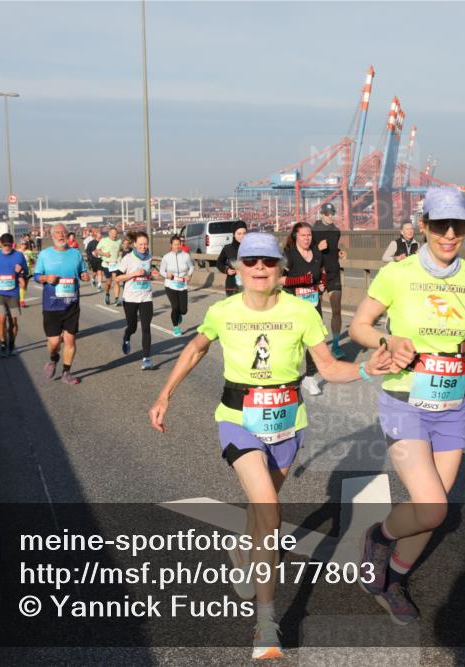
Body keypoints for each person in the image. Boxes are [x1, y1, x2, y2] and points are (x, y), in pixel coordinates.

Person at [148, 232, 391, 659]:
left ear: (281, 269)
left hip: (288, 425)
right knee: (268, 510)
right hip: (238, 421)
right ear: (237, 269)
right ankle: (266, 623)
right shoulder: (223, 311)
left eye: (268, 262)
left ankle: (243, 547)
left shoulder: (301, 313)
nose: (259, 269)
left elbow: (330, 368)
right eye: (251, 262)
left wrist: (368, 371)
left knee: (263, 511)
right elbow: (196, 348)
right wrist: (165, 394)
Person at [349, 187, 465, 625]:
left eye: (459, 226)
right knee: (433, 508)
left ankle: (393, 581)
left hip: (451, 406)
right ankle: (379, 536)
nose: (449, 234)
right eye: (441, 225)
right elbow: (359, 326)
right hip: (404, 400)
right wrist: (388, 340)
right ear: (424, 225)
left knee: (431, 511)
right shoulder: (398, 274)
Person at [34, 223, 90, 385]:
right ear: (52, 236)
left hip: (71, 304)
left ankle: (66, 372)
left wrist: (85, 275)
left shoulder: (75, 254)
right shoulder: (45, 255)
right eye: (57, 233)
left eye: (63, 232)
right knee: (54, 342)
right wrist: (46, 278)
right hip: (51, 305)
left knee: (70, 341)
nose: (61, 235)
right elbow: (37, 275)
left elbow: (82, 272)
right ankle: (53, 359)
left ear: (67, 235)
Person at [281, 222, 327, 397]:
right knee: (293, 341)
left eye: (309, 235)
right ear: (295, 237)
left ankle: (309, 377)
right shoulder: (289, 255)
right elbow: (278, 279)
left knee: (315, 340)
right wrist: (300, 279)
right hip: (293, 302)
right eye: (303, 235)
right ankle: (288, 376)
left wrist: (322, 282)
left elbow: (321, 270)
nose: (307, 238)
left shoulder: (316, 252)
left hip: (313, 302)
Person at [115, 232, 161, 370]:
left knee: (146, 328)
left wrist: (152, 275)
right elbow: (117, 278)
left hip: (146, 297)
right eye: (140, 244)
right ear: (134, 244)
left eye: (145, 244)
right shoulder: (128, 258)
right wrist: (134, 274)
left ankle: (146, 358)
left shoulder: (149, 257)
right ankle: (127, 336)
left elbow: (148, 273)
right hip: (130, 298)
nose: (143, 247)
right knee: (133, 327)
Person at [0, 232, 28, 358]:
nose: (7, 247)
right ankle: (3, 345)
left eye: (9, 245)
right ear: (0, 244)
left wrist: (21, 271)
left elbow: (26, 271)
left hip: (13, 293)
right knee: (1, 319)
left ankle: (12, 345)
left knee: (13, 321)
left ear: (13, 244)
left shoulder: (19, 255)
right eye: (4, 245)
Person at [311, 202, 347, 358]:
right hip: (317, 274)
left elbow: (332, 249)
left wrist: (339, 252)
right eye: (327, 213)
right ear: (321, 214)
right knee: (314, 313)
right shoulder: (312, 231)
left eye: (332, 213)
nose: (331, 216)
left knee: (337, 310)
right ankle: (316, 345)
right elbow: (305, 252)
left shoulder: (336, 231)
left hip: (333, 273)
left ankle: (336, 346)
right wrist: (316, 248)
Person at [159, 235, 194, 336]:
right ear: (171, 245)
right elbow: (161, 270)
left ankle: (179, 314)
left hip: (182, 285)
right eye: (175, 244)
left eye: (179, 244)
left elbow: (191, 267)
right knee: (175, 307)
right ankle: (176, 328)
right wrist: (166, 275)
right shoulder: (166, 257)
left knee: (183, 310)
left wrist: (189, 275)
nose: (177, 246)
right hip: (170, 285)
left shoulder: (186, 256)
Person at [216, 221, 248, 297]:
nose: (242, 236)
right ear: (234, 234)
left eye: (244, 233)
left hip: (248, 285)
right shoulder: (228, 249)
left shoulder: (251, 248)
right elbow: (219, 263)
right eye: (239, 234)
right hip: (232, 285)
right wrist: (227, 270)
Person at [96, 227, 123, 306]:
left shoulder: (119, 241)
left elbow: (120, 250)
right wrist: (104, 254)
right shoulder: (103, 240)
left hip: (116, 264)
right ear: (109, 233)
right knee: (108, 282)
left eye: (116, 234)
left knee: (116, 280)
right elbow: (97, 250)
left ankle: (117, 299)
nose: (115, 235)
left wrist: (120, 255)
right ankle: (107, 293)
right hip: (107, 264)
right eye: (113, 233)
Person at [18, 239, 37, 307]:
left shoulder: (29, 252)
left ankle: (21, 298)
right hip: (19, 271)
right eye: (22, 244)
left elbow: (33, 261)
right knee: (22, 284)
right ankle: (21, 300)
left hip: (27, 271)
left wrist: (32, 260)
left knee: (25, 286)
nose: (24, 245)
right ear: (20, 245)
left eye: (25, 244)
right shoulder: (17, 252)